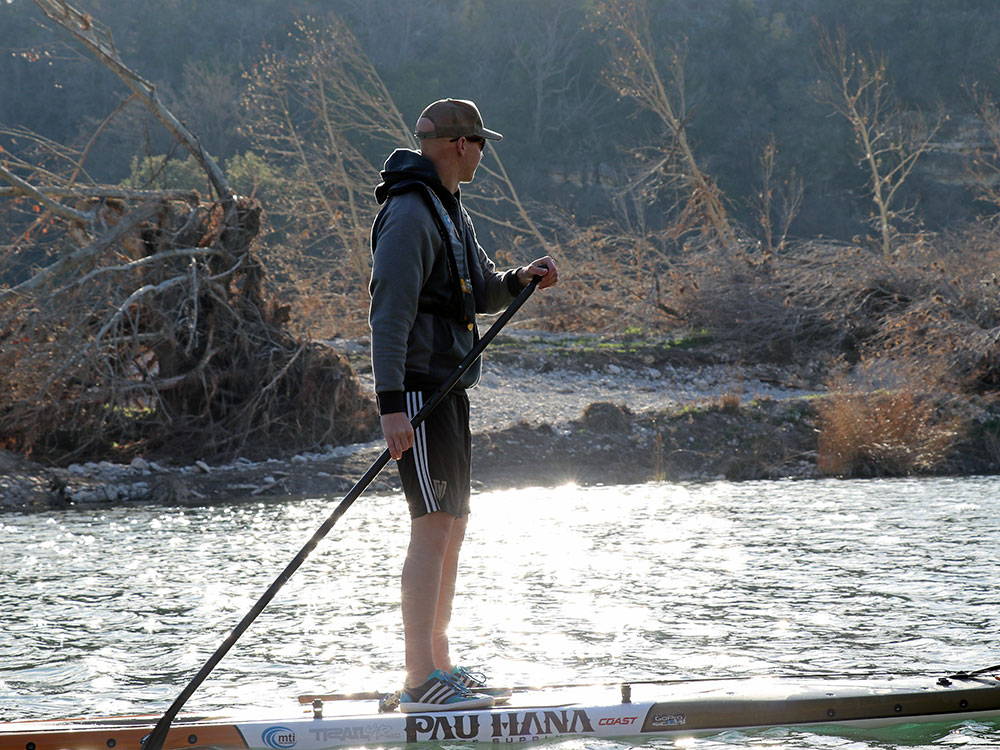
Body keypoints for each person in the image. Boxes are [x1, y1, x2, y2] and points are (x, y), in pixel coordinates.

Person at [368, 98, 558, 713]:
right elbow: (389, 314)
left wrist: (520, 279)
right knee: (430, 527)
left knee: (452, 525)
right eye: (479, 143)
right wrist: (391, 407)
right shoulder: (407, 214)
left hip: (449, 387)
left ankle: (441, 667)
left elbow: (478, 290)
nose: (483, 153)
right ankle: (419, 681)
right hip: (419, 391)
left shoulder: (450, 210)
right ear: (457, 145)